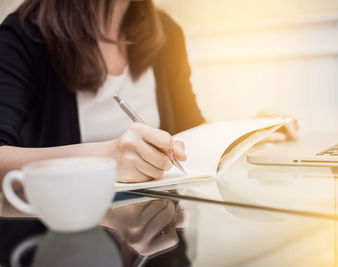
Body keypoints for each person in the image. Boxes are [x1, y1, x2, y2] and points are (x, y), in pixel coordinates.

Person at [0, 0, 297, 184]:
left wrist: (245, 133)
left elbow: (188, 130)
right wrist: (105, 159)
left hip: (158, 237)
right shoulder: (25, 34)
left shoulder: (167, 33)